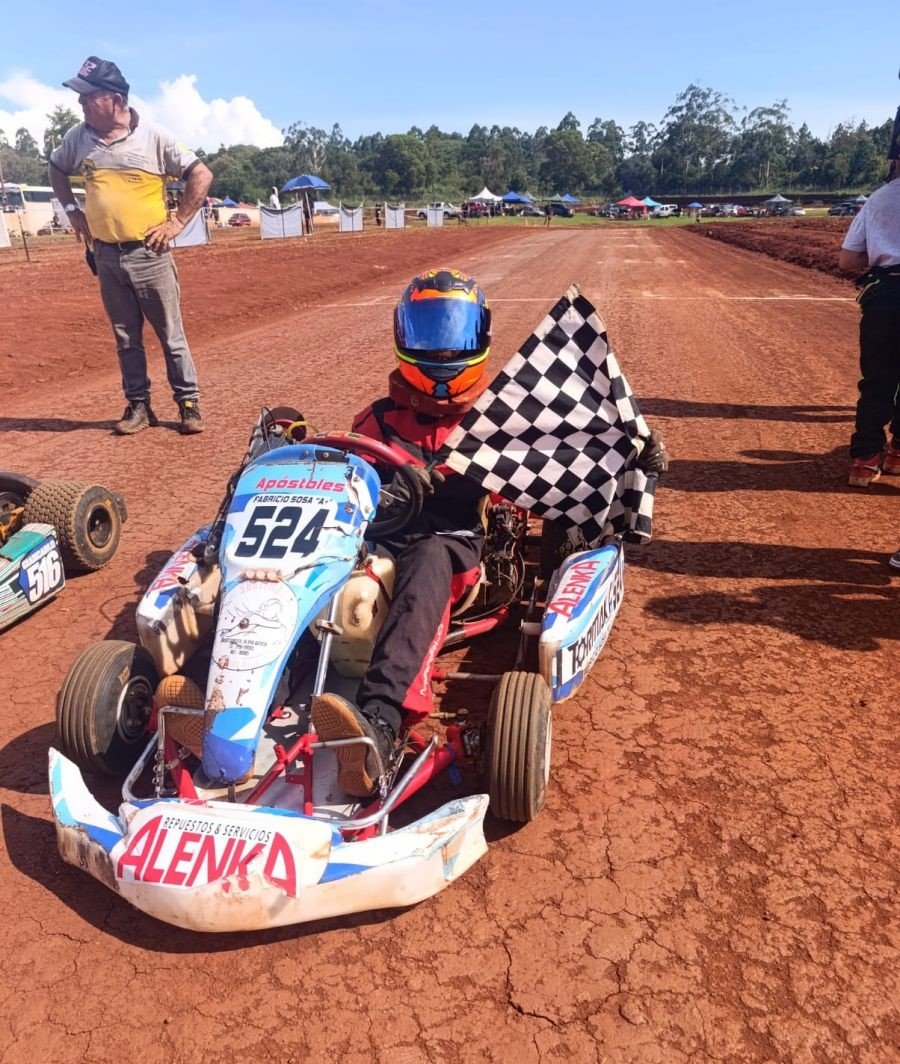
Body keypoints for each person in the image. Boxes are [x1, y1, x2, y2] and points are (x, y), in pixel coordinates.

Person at [310, 268, 493, 797]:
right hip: (383, 536)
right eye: (427, 332)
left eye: (453, 332)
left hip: (453, 543)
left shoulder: (495, 420)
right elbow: (349, 481)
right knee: (314, 556)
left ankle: (380, 722)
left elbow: (533, 484)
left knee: (428, 560)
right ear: (402, 332)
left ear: (479, 333)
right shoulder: (377, 420)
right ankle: (235, 697)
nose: (440, 350)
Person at [49, 56, 212, 436]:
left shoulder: (155, 136)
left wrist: (177, 222)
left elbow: (201, 174)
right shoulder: (78, 138)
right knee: (126, 339)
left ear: (116, 99)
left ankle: (188, 404)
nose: (81, 102)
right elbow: (56, 168)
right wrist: (72, 210)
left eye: (88, 96)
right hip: (106, 255)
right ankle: (139, 406)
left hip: (149, 255)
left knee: (171, 336)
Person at [838, 155, 900, 486]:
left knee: (877, 378)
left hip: (886, 293)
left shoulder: (878, 198)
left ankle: (864, 460)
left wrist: (882, 250)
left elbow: (848, 260)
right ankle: (897, 452)